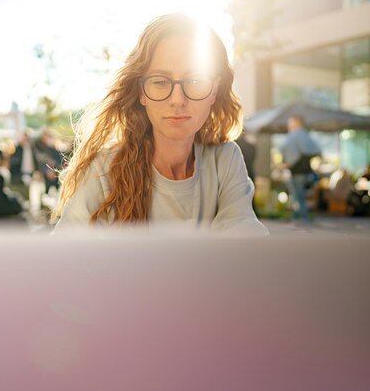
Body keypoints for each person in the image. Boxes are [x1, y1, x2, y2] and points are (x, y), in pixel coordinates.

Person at [52, 12, 267, 235]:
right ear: (141, 92)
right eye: (160, 82)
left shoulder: (224, 160)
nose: (177, 100)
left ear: (214, 89)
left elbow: (244, 241)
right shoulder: (104, 169)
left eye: (194, 80)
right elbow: (61, 257)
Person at [280, 116, 321, 222]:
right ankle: (300, 216)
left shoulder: (296, 135)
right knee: (298, 195)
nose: (289, 124)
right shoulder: (304, 135)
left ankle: (302, 217)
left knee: (298, 195)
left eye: (291, 122)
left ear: (296, 123)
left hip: (297, 171)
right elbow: (314, 150)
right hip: (301, 171)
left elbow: (286, 151)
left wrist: (289, 162)